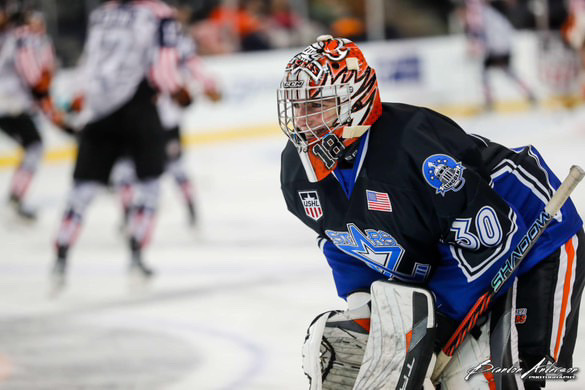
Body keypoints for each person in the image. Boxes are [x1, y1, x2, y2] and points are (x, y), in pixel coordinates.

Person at [278, 35, 584, 389]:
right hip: (456, 260)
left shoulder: (414, 151)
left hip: (534, 241)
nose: (303, 121)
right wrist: (364, 306)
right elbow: (340, 239)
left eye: (318, 106)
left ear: (355, 100)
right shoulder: (297, 172)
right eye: (298, 108)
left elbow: (489, 239)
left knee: (517, 375)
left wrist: (437, 325)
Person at [52, 0, 192, 293]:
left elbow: (90, 62)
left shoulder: (103, 13)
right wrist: (179, 91)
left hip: (99, 113)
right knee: (151, 185)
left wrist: (74, 98)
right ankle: (137, 257)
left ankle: (61, 257)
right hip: (138, 108)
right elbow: (163, 67)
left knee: (82, 190)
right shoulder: (159, 13)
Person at [0, 3, 66, 220]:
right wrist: (45, 98)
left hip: (10, 103)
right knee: (34, 147)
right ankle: (15, 198)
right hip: (11, 104)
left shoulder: (12, 36)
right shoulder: (22, 37)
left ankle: (16, 197)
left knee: (33, 147)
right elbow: (33, 77)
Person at [461, 0, 536, 111]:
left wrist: (474, 45)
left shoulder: (478, 13)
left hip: (496, 47)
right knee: (505, 71)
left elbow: (477, 31)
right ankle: (529, 94)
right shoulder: (489, 11)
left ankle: (489, 102)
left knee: (487, 73)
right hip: (503, 45)